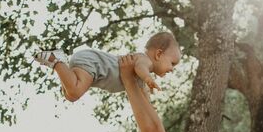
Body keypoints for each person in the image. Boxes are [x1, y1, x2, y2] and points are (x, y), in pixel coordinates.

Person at [33, 31, 181, 101]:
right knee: (75, 91)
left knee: (71, 95)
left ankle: (63, 69)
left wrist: (148, 96)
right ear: (158, 54)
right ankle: (57, 61)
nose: (172, 68)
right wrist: (149, 79)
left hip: (92, 67)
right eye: (172, 63)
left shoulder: (141, 78)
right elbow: (140, 69)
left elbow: (143, 98)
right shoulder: (144, 61)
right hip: (95, 63)